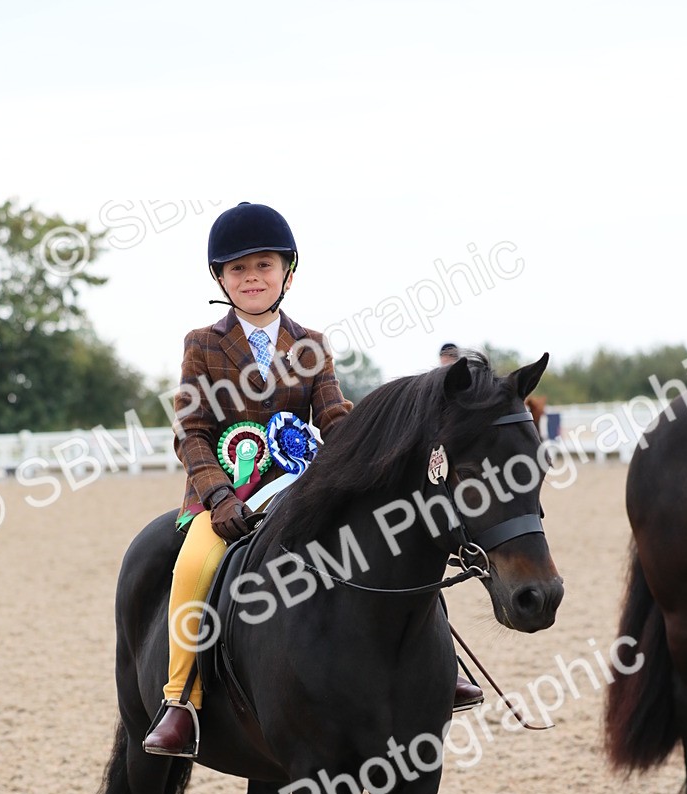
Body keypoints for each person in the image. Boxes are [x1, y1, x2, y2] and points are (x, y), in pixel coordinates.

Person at [145, 203, 480, 757]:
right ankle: (181, 699)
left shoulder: (312, 343)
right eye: (237, 269)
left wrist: (367, 450)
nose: (252, 277)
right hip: (227, 495)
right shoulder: (202, 343)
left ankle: (445, 666)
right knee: (193, 564)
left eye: (264, 266)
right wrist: (218, 494)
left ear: (287, 274)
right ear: (220, 280)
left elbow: (333, 415)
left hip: (301, 483)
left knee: (395, 538)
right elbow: (193, 428)